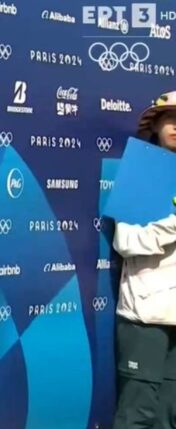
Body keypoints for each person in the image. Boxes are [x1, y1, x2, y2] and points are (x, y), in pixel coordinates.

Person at [112, 90, 176, 429]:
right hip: (145, 319)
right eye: (170, 119)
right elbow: (126, 242)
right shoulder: (139, 173)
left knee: (169, 417)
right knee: (138, 417)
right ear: (155, 126)